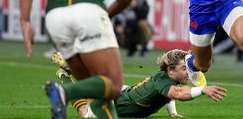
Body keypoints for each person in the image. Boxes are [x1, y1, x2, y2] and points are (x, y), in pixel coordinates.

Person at [52, 50, 227, 118]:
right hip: (116, 102)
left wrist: (173, 113)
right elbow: (176, 94)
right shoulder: (164, 81)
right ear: (170, 70)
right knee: (85, 112)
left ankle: (71, 67)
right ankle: (65, 76)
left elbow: (169, 93)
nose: (188, 72)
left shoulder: (169, 79)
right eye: (184, 68)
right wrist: (203, 89)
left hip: (126, 92)